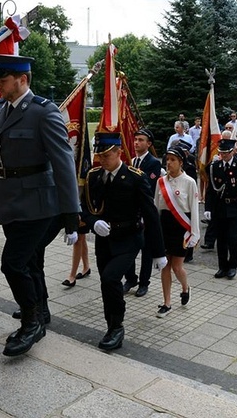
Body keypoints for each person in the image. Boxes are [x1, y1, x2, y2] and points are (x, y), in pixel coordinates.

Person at [0, 53, 79, 357]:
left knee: (12, 263)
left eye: (2, 79)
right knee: (31, 260)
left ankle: (31, 323)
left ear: (22, 80)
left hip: (38, 204)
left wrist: (71, 212)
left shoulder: (43, 112)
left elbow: (63, 163)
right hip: (8, 201)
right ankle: (41, 310)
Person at [81, 132, 165, 350]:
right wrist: (93, 223)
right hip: (104, 240)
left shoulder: (136, 177)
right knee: (106, 283)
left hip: (129, 239)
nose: (101, 159)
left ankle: (117, 327)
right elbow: (85, 208)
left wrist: (159, 252)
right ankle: (112, 325)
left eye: (106, 155)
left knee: (110, 278)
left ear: (119, 152)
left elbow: (151, 215)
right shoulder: (94, 176)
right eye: (99, 155)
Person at [154, 147, 199, 318]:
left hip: (181, 227)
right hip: (165, 226)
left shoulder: (189, 182)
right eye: (167, 159)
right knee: (165, 265)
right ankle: (167, 303)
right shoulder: (160, 182)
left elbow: (194, 210)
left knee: (177, 266)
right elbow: (156, 207)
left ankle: (185, 288)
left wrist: (194, 234)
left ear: (181, 162)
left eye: (173, 159)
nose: (169, 163)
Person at [204, 138, 237, 279]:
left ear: (232, 151)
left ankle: (233, 266)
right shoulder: (215, 166)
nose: (223, 155)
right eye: (221, 153)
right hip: (219, 207)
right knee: (221, 239)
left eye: (226, 153)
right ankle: (222, 267)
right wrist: (207, 208)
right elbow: (211, 189)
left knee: (233, 238)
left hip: (236, 206)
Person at [122, 128, 162, 296]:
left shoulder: (153, 163)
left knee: (146, 250)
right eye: (136, 139)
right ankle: (131, 278)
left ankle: (144, 282)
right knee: (129, 248)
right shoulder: (131, 161)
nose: (137, 142)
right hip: (131, 213)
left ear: (149, 143)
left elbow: (148, 188)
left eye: (141, 140)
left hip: (145, 212)